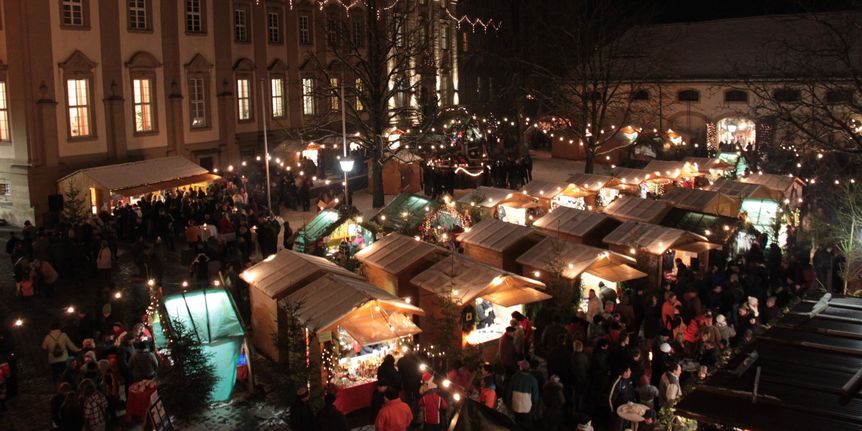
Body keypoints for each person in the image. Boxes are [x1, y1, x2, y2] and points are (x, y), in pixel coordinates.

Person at [506, 360, 539, 428]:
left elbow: (509, 391)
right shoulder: (532, 380)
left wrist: (508, 403)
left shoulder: (514, 377)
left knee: (516, 423)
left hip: (515, 405)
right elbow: (535, 395)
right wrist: (534, 406)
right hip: (527, 407)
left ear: (520, 368)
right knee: (526, 424)